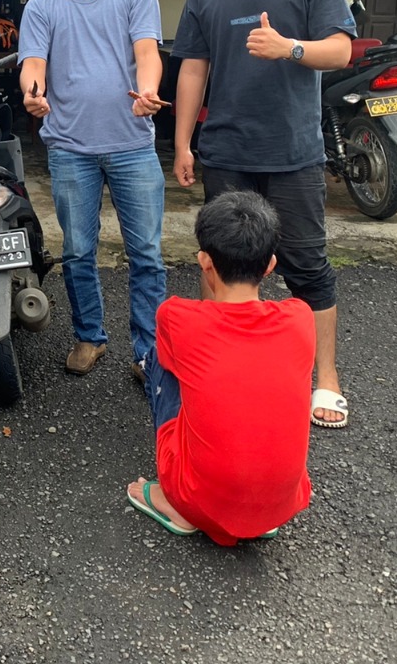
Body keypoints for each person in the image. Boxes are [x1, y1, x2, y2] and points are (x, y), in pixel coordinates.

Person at [171, 0, 355, 428]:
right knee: (223, 264)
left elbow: (340, 51)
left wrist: (289, 47)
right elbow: (193, 68)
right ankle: (221, 371)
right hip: (226, 152)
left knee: (307, 265)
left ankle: (326, 379)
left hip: (293, 152)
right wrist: (182, 143)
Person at [18, 0, 167, 378]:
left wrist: (148, 91)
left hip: (133, 144)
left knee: (147, 253)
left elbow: (147, 52)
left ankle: (148, 350)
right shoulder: (42, 4)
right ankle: (89, 337)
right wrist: (33, 93)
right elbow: (33, 63)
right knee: (78, 251)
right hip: (70, 147)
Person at [125, 191, 314, 545]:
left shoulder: (177, 316)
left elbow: (175, 363)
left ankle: (174, 501)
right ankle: (254, 512)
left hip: (198, 503)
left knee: (157, 359)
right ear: (270, 265)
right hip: (281, 506)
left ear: (204, 261)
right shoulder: (300, 317)